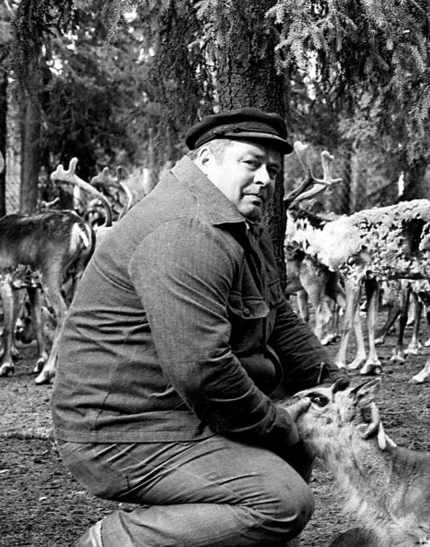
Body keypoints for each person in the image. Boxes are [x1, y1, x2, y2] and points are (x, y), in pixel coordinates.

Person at [52, 108, 344, 547]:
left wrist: (338, 390)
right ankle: (108, 543)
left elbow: (277, 313)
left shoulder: (239, 222)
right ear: (207, 161)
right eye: (251, 163)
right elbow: (202, 369)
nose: (265, 178)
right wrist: (280, 422)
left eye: (271, 169)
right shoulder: (186, 230)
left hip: (177, 413)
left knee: (299, 436)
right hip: (123, 431)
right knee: (279, 502)